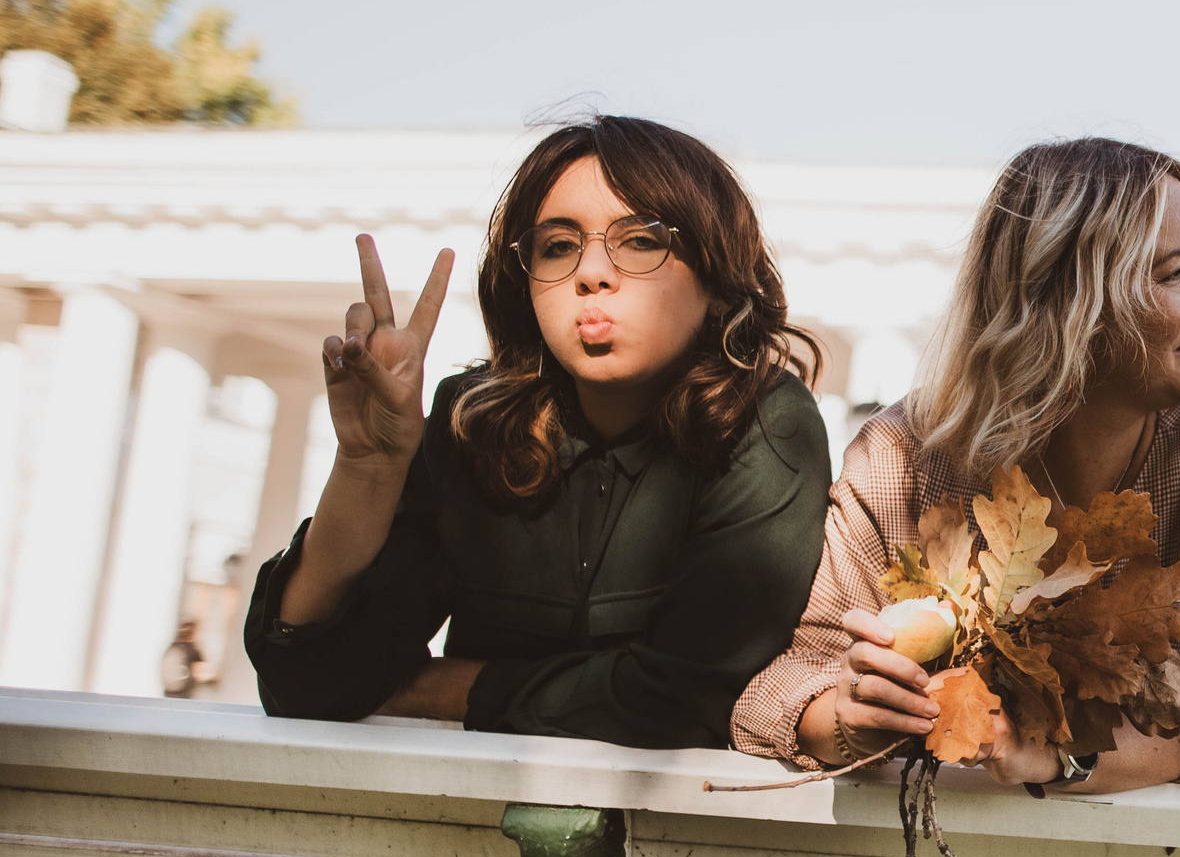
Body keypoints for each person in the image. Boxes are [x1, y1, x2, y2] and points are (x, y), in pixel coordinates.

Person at [248, 114, 832, 747]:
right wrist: (367, 468)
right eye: (557, 246)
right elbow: (305, 680)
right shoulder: (471, 421)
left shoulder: (769, 425)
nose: (591, 272)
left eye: (640, 240)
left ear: (717, 279)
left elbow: (687, 699)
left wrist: (431, 687)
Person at [729, 137, 1180, 791]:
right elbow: (774, 687)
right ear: (1070, 298)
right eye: (1176, 271)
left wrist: (1060, 754)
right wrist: (848, 718)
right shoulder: (904, 457)